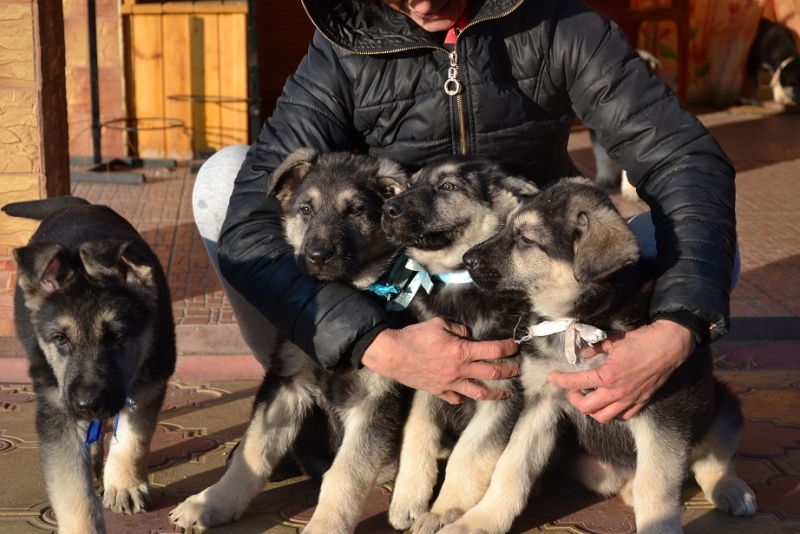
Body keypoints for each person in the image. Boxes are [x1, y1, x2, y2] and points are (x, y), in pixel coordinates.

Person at [193, 0, 738, 424]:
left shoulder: (558, 22)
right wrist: (373, 343)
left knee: (692, 247)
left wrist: (677, 328)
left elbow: (683, 159)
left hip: (525, 276)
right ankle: (314, 391)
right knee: (223, 182)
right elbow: (249, 221)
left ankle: (582, 405)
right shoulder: (344, 43)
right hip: (395, 290)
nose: (425, 5)